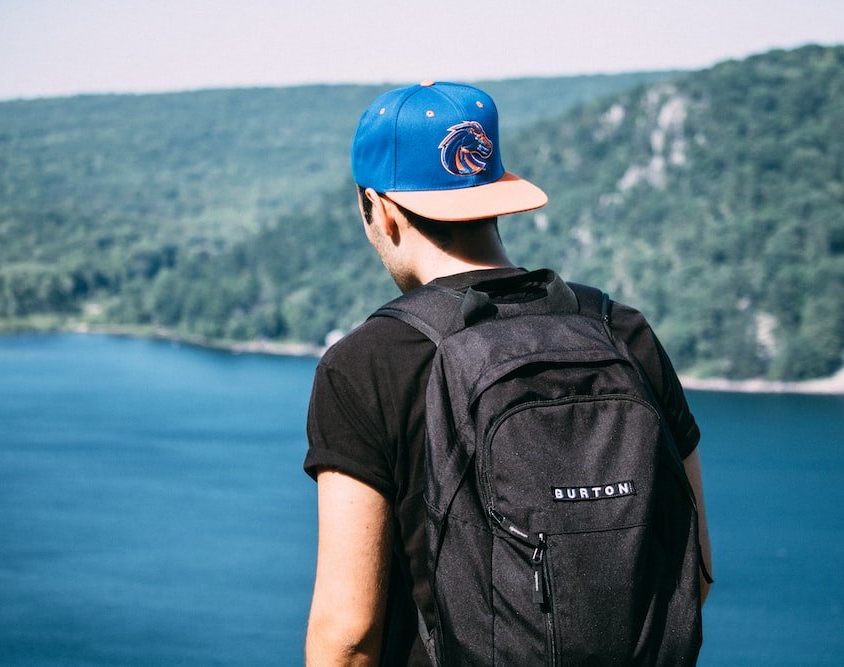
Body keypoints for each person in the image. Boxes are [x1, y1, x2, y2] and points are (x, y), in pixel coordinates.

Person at [303, 81, 712, 666]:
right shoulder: (625, 333)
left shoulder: (365, 366)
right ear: (496, 194)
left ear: (382, 212)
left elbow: (347, 637)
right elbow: (692, 575)